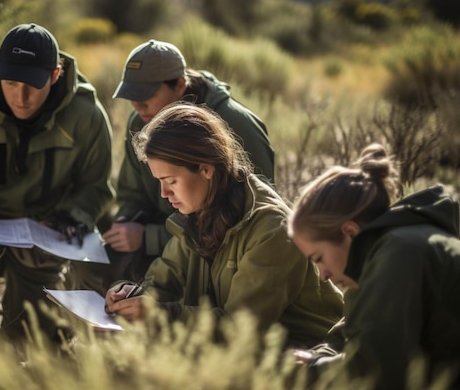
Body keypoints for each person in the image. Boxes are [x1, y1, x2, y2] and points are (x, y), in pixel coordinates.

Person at [0, 23, 114, 348]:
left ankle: (78, 338)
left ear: (55, 75)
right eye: (10, 82)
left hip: (46, 243)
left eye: (32, 84)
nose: (20, 96)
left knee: (28, 340)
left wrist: (69, 217)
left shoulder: (87, 116)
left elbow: (96, 187)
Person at [104, 103, 343, 349]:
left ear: (206, 169)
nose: (164, 193)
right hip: (242, 355)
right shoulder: (200, 210)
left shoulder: (272, 230)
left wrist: (162, 314)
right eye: (160, 182)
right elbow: (166, 279)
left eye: (171, 181)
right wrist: (130, 295)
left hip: (305, 360)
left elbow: (238, 329)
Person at [287, 143, 460, 390]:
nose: (323, 275)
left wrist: (311, 370)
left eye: (319, 258)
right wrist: (316, 358)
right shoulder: (376, 260)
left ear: (350, 232)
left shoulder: (400, 253)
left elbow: (377, 373)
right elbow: (353, 333)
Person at [99, 39, 276, 291]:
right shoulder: (140, 121)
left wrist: (148, 237)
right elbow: (131, 193)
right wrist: (127, 222)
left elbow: (252, 215)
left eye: (146, 96)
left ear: (180, 84)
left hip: (218, 251)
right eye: (132, 96)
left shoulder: (236, 124)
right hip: (171, 245)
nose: (137, 106)